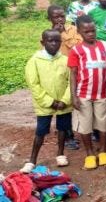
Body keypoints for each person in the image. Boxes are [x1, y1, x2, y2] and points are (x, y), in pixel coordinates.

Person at [20, 30, 72, 173]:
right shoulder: (34, 61)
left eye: (57, 41)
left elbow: (71, 82)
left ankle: (60, 153)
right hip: (44, 104)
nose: (54, 44)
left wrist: (65, 100)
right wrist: (50, 101)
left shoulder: (65, 60)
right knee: (41, 131)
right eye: (50, 41)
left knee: (63, 128)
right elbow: (33, 84)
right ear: (43, 42)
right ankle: (32, 160)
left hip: (63, 103)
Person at [67, 15, 106, 170]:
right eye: (87, 32)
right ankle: (90, 153)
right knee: (85, 126)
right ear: (79, 32)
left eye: (93, 30)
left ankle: (103, 151)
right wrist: (74, 96)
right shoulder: (76, 51)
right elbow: (73, 74)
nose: (91, 34)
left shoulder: (105, 46)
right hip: (83, 94)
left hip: (102, 93)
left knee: (103, 122)